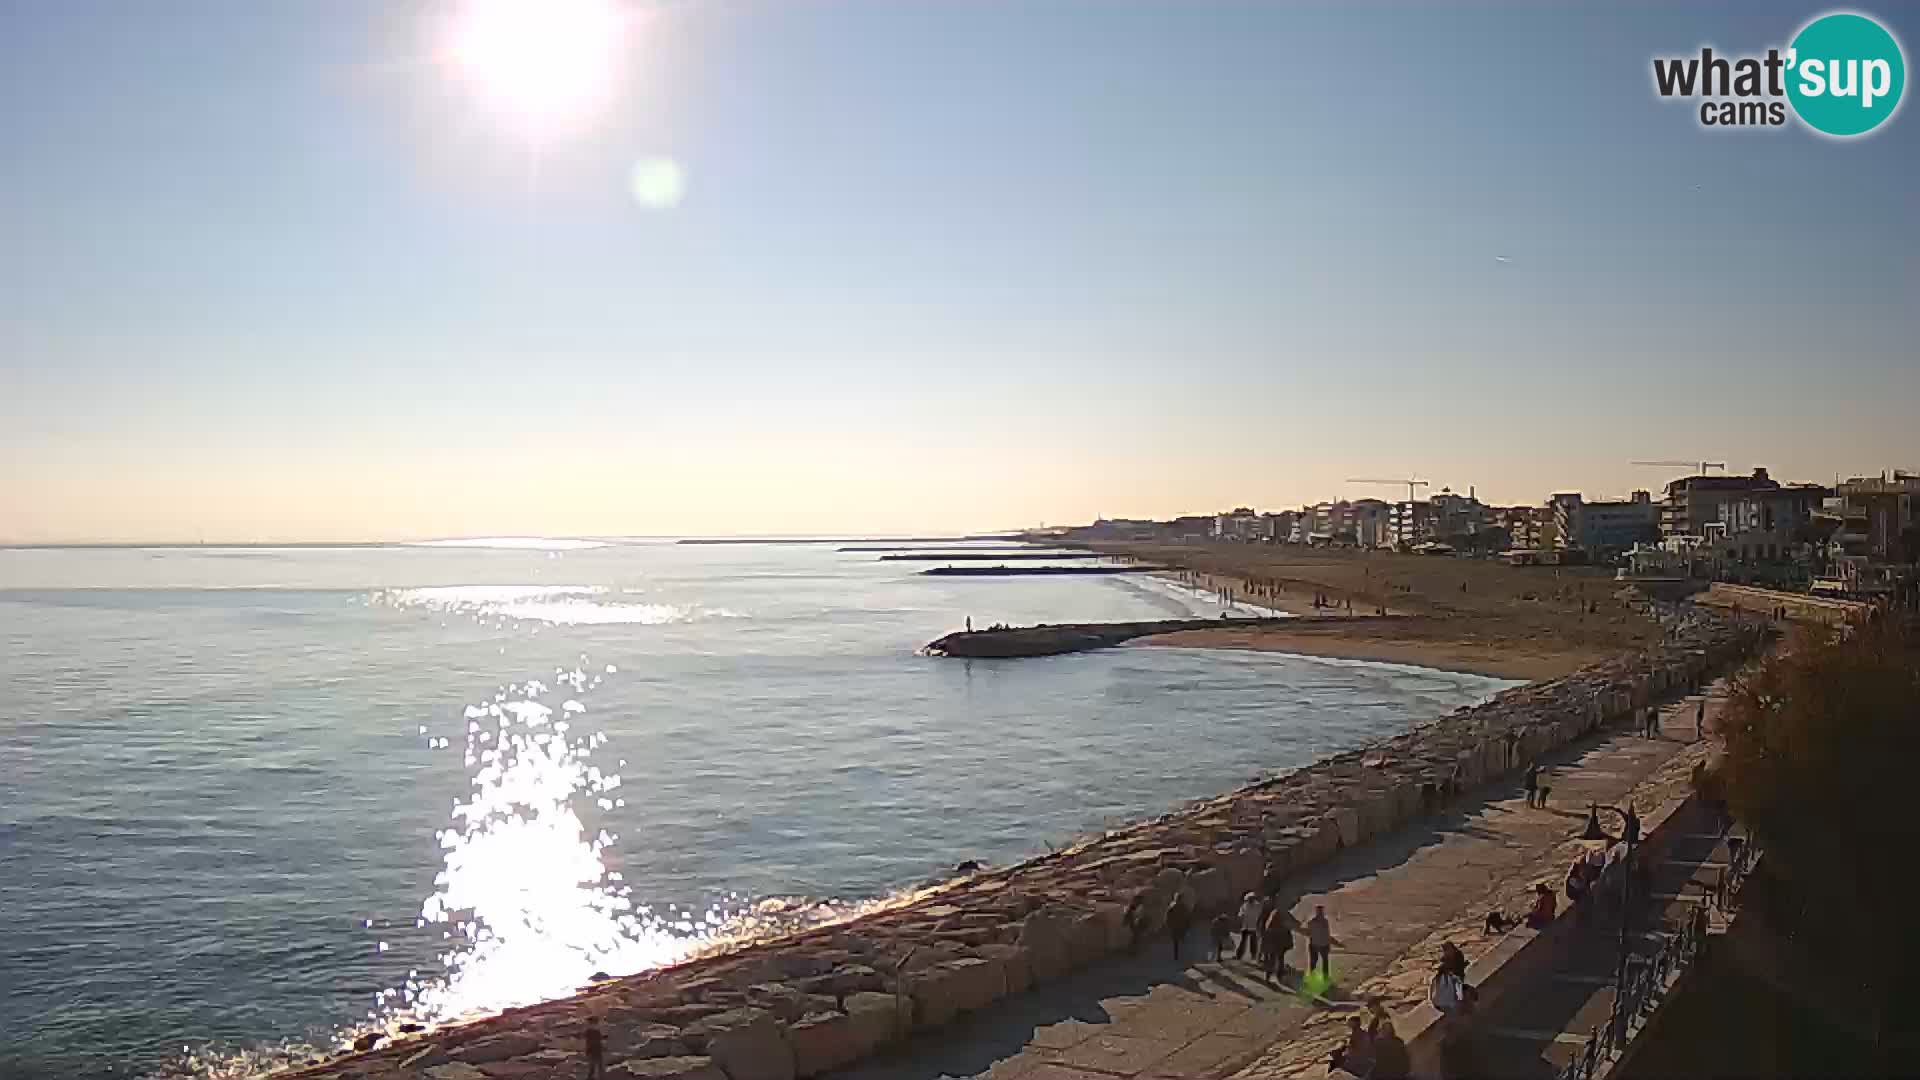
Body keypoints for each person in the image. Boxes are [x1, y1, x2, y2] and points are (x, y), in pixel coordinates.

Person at [1262, 902, 1294, 983]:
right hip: (1279, 938)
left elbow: (1267, 926)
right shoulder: (1284, 914)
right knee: (1279, 958)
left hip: (1273, 938)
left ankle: (1269, 976)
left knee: (1273, 958)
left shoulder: (1274, 912)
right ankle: (1278, 976)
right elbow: (1291, 925)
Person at [1307, 904, 1335, 978]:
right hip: (1322, 945)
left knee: (1314, 962)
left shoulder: (1312, 922)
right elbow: (1327, 934)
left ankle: (1313, 977)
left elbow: (1309, 933)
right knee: (1324, 962)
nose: (1320, 912)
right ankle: (1325, 977)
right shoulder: (1324, 921)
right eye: (1320, 911)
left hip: (1316, 945)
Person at [1236, 892, 1262, 961]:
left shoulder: (1257, 905)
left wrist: (1258, 924)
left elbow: (1260, 915)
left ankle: (1253, 956)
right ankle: (1239, 956)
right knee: (1243, 942)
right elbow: (1240, 915)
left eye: (1252, 898)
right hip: (1245, 926)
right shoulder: (1244, 905)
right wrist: (1241, 919)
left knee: (1253, 942)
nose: (1251, 899)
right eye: (1250, 898)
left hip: (1253, 926)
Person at [1166, 894, 1192, 962]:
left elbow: (1168, 917)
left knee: (1176, 942)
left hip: (1176, 927)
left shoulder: (1173, 907)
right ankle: (1181, 955)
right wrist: (1188, 926)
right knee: (1181, 941)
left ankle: (1177, 956)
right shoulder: (1184, 907)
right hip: (1181, 926)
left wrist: (1169, 925)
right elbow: (1188, 917)